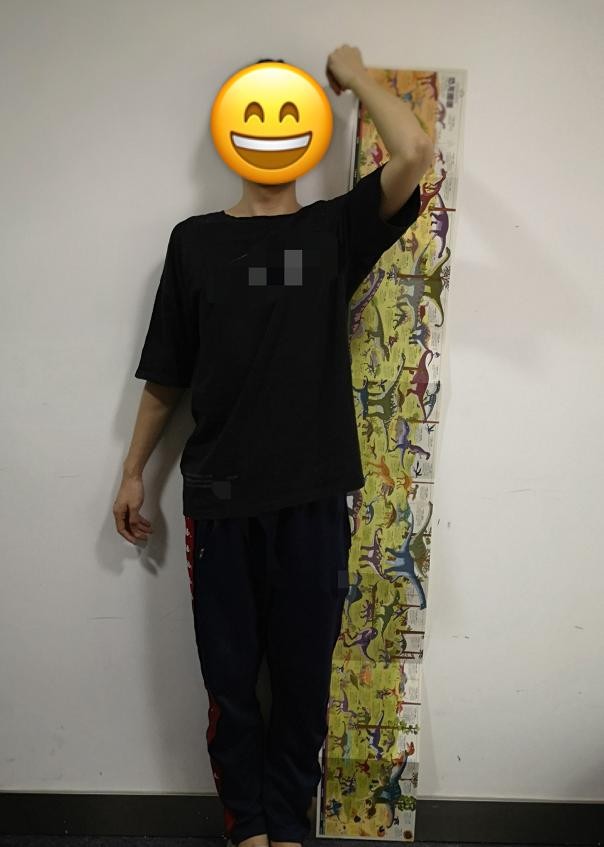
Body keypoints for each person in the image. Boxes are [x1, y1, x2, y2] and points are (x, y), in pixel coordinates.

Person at [113, 44, 433, 847]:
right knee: (230, 685)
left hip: (314, 498)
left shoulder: (333, 231)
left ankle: (286, 827)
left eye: (286, 111)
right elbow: (166, 374)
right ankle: (248, 830)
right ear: (229, 129)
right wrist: (131, 471)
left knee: (301, 682)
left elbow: (415, 151)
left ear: (312, 130)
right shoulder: (194, 243)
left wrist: (354, 74)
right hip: (220, 500)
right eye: (252, 111)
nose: (268, 127)